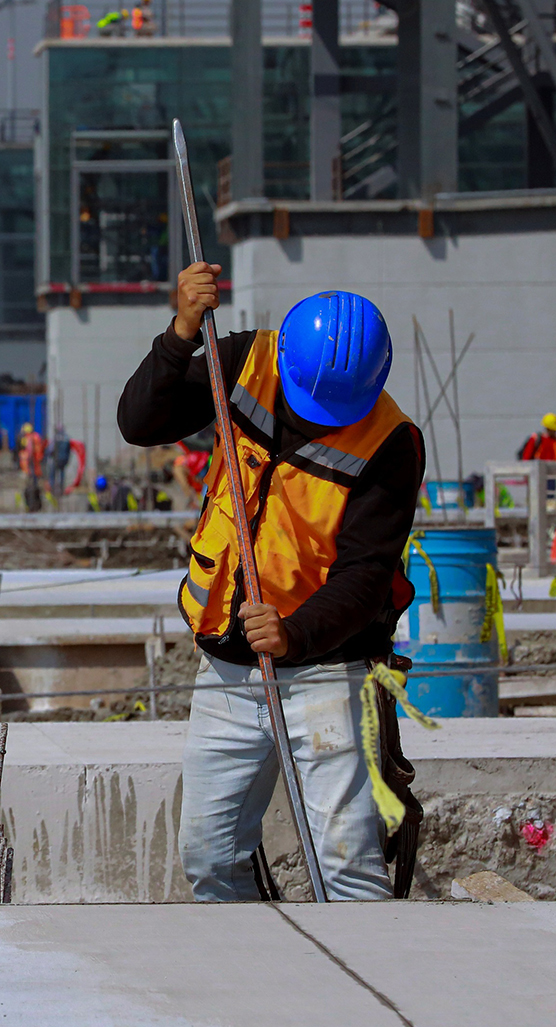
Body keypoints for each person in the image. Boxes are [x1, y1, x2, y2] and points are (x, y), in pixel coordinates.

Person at [120, 261, 425, 902]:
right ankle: (253, 989)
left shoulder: (391, 443)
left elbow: (367, 574)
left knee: (345, 871)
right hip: (226, 669)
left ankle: (367, 993)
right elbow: (141, 424)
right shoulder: (243, 361)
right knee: (210, 857)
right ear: (283, 355)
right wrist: (180, 334)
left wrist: (295, 633)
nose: (319, 421)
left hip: (328, 671)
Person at [18, 423, 47, 510]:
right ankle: (36, 505)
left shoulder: (29, 439)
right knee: (34, 485)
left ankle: (31, 505)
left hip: (30, 466)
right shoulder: (36, 437)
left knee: (30, 486)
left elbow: (28, 453)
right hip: (34, 465)